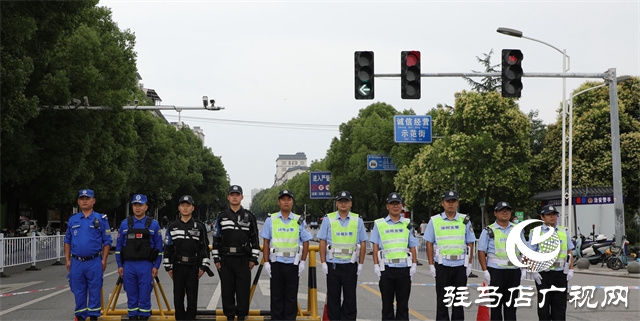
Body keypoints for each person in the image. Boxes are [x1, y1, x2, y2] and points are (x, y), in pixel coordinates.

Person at [260, 190, 312, 321]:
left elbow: (306, 241)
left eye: (289, 199)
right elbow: (266, 242)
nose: (286, 201)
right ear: (279, 202)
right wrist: (266, 262)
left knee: (291, 298)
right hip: (276, 263)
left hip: (293, 264)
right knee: (276, 298)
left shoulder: (299, 220)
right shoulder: (270, 220)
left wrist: (303, 262)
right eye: (283, 199)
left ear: (292, 202)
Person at [424, 190, 476, 321]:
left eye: (453, 201)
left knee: (458, 300)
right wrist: (431, 265)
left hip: (460, 265)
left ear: (457, 203)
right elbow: (429, 243)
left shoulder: (465, 220)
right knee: (443, 300)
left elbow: (470, 242)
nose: (451, 204)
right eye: (448, 201)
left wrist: (469, 264)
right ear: (443, 203)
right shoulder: (434, 221)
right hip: (442, 265)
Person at [211, 185, 261, 321]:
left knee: (243, 290)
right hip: (226, 259)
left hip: (243, 259)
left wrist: (253, 259)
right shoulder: (221, 217)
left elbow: (255, 239)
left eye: (237, 195)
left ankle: (242, 316)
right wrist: (216, 259)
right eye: (232, 194)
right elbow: (216, 239)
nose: (234, 197)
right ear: (228, 197)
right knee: (227, 290)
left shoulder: (249, 216)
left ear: (242, 197)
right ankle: (230, 316)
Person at [318, 191, 368, 321]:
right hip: (333, 265)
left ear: (351, 203)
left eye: (346, 201)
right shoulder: (328, 219)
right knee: (333, 298)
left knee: (350, 298)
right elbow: (322, 241)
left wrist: (361, 264)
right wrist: (323, 262)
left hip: (350, 265)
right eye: (341, 201)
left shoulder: (358, 220)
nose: (343, 203)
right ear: (336, 203)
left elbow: (363, 242)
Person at [64, 189, 112, 321]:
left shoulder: (100, 219)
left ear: (93, 200)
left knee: (95, 289)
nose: (84, 201)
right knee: (78, 290)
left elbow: (107, 241)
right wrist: (67, 260)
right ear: (78, 201)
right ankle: (80, 316)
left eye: (87, 198)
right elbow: (67, 241)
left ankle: (94, 316)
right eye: (82, 198)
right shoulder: (73, 219)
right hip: (77, 262)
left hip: (94, 261)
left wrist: (104, 259)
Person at [369, 192, 418, 321]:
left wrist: (414, 265)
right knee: (387, 306)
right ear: (387, 206)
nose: (395, 206)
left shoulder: (408, 224)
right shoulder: (379, 224)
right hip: (386, 268)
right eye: (392, 204)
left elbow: (412, 246)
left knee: (403, 306)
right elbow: (375, 247)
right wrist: (375, 265)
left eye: (398, 204)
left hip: (404, 268)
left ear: (402, 206)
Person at [163, 195, 212, 321]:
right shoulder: (172, 226)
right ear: (179, 208)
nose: (185, 208)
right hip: (178, 266)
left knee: (192, 299)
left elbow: (204, 248)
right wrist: (168, 267)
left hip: (193, 267)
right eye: (183, 205)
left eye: (188, 205)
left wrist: (204, 267)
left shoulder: (199, 226)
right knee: (178, 298)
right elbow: (167, 248)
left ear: (192, 208)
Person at [115, 194, 163, 320]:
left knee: (145, 295)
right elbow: (119, 247)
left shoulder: (154, 225)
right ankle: (132, 317)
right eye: (135, 205)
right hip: (129, 265)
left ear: (146, 207)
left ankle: (144, 317)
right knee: (131, 295)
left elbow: (159, 248)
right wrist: (120, 265)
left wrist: (156, 266)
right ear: (132, 207)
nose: (137, 208)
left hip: (146, 265)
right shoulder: (125, 224)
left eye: (140, 205)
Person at [477, 201, 527, 321]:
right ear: (495, 213)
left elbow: (524, 250)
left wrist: (524, 268)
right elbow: (481, 251)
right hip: (495, 271)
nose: (505, 213)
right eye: (502, 210)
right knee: (496, 306)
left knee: (511, 305)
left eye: (507, 210)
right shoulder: (489, 230)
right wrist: (485, 271)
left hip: (513, 271)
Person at [529, 204, 575, 321]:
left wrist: (570, 269)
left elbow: (570, 250)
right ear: (542, 217)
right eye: (549, 215)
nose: (552, 217)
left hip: (560, 273)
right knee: (544, 307)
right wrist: (533, 271)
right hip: (543, 274)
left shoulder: (563, 231)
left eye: (554, 214)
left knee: (560, 307)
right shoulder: (536, 232)